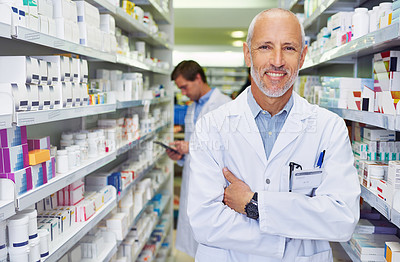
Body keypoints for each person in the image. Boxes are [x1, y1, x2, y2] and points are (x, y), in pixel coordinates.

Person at [187, 8, 360, 262]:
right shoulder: (210, 127)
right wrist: (291, 231)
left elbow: (342, 219)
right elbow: (204, 221)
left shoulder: (329, 128)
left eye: (289, 48)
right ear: (248, 54)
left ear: (302, 57)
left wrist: (252, 204)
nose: (277, 60)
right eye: (265, 47)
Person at [167, 60, 231, 257]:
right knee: (197, 246)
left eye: (184, 87)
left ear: (197, 78)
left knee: (215, 247)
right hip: (193, 179)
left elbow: (228, 148)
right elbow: (193, 147)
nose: (183, 93)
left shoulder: (224, 105)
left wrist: (191, 147)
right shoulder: (192, 107)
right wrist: (181, 155)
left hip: (217, 184)